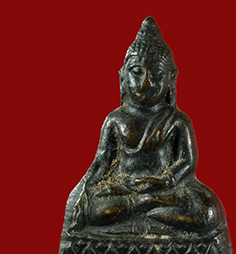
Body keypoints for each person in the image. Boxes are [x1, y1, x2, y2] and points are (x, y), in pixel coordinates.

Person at [70, 16, 222, 234]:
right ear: (123, 76)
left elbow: (187, 163)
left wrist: (164, 181)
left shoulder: (177, 120)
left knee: (209, 211)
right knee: (90, 210)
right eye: (136, 72)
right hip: (125, 188)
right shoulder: (115, 119)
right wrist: (87, 188)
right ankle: (147, 206)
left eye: (156, 74)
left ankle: (142, 208)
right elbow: (102, 163)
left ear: (171, 78)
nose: (145, 83)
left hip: (164, 188)